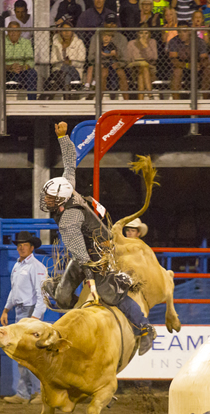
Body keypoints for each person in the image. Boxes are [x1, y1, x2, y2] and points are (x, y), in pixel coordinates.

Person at [41, 122, 156, 355]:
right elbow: (70, 164)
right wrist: (63, 137)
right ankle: (80, 324)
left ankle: (145, 329)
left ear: (60, 201)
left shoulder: (69, 219)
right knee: (62, 295)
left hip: (98, 253)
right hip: (88, 247)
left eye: (51, 198)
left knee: (109, 293)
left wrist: (90, 275)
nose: (47, 200)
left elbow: (81, 253)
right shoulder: (68, 187)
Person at [0, 231, 46, 405]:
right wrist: (6, 309)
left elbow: (42, 296)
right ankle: (24, 393)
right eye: (19, 244)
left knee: (32, 356)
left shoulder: (36, 267)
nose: (21, 247)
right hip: (21, 312)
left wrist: (33, 319)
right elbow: (14, 291)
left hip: (30, 312)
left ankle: (39, 392)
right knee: (23, 356)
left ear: (31, 247)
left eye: (25, 244)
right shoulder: (18, 266)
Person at [0, 21, 37, 99]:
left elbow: (31, 61)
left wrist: (23, 67)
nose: (13, 33)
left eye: (15, 31)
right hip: (5, 71)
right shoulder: (1, 42)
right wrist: (9, 67)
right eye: (10, 30)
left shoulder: (26, 43)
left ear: (19, 32)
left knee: (33, 73)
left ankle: (31, 102)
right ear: (7, 32)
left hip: (21, 71)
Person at [169, 21, 210, 99]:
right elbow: (174, 61)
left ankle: (206, 100)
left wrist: (200, 64)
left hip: (197, 67)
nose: (182, 34)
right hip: (182, 67)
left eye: (184, 31)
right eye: (179, 32)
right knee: (177, 71)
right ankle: (175, 102)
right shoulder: (173, 41)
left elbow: (204, 58)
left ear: (189, 31)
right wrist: (187, 65)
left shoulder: (199, 41)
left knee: (208, 70)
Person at [44, 20, 86, 98]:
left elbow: (81, 62)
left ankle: (54, 89)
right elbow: (53, 61)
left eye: (69, 30)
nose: (66, 32)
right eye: (64, 30)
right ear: (60, 32)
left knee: (67, 69)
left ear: (72, 31)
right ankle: (68, 97)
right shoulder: (56, 43)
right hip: (59, 71)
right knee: (66, 74)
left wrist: (70, 63)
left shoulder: (79, 43)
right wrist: (63, 63)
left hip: (75, 72)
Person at [126, 29, 157, 99]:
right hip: (134, 67)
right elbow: (128, 59)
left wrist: (145, 46)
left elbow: (154, 57)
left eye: (146, 33)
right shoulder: (131, 43)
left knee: (142, 71)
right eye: (141, 33)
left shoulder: (152, 42)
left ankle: (141, 99)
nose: (143, 35)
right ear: (137, 34)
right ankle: (150, 94)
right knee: (142, 68)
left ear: (149, 34)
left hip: (149, 66)